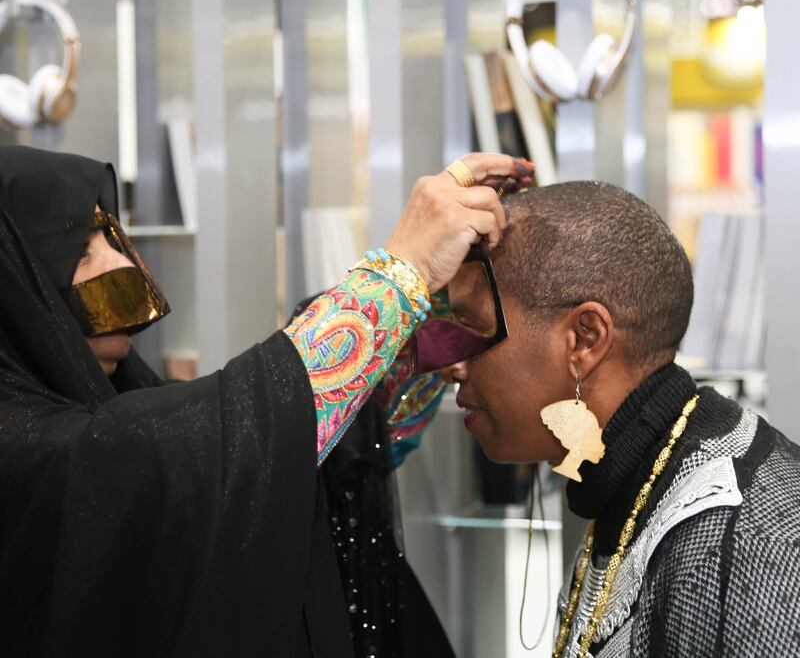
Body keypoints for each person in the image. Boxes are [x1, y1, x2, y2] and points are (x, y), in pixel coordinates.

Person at [0, 144, 534, 656]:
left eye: (117, 235)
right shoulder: (23, 442)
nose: (123, 263)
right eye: (87, 240)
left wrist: (430, 301)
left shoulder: (122, 393)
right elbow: (208, 448)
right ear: (20, 276)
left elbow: (275, 446)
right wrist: (399, 276)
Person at [442, 180, 800, 657]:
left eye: (471, 328)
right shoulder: (629, 472)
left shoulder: (738, 546)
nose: (451, 364)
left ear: (584, 340)